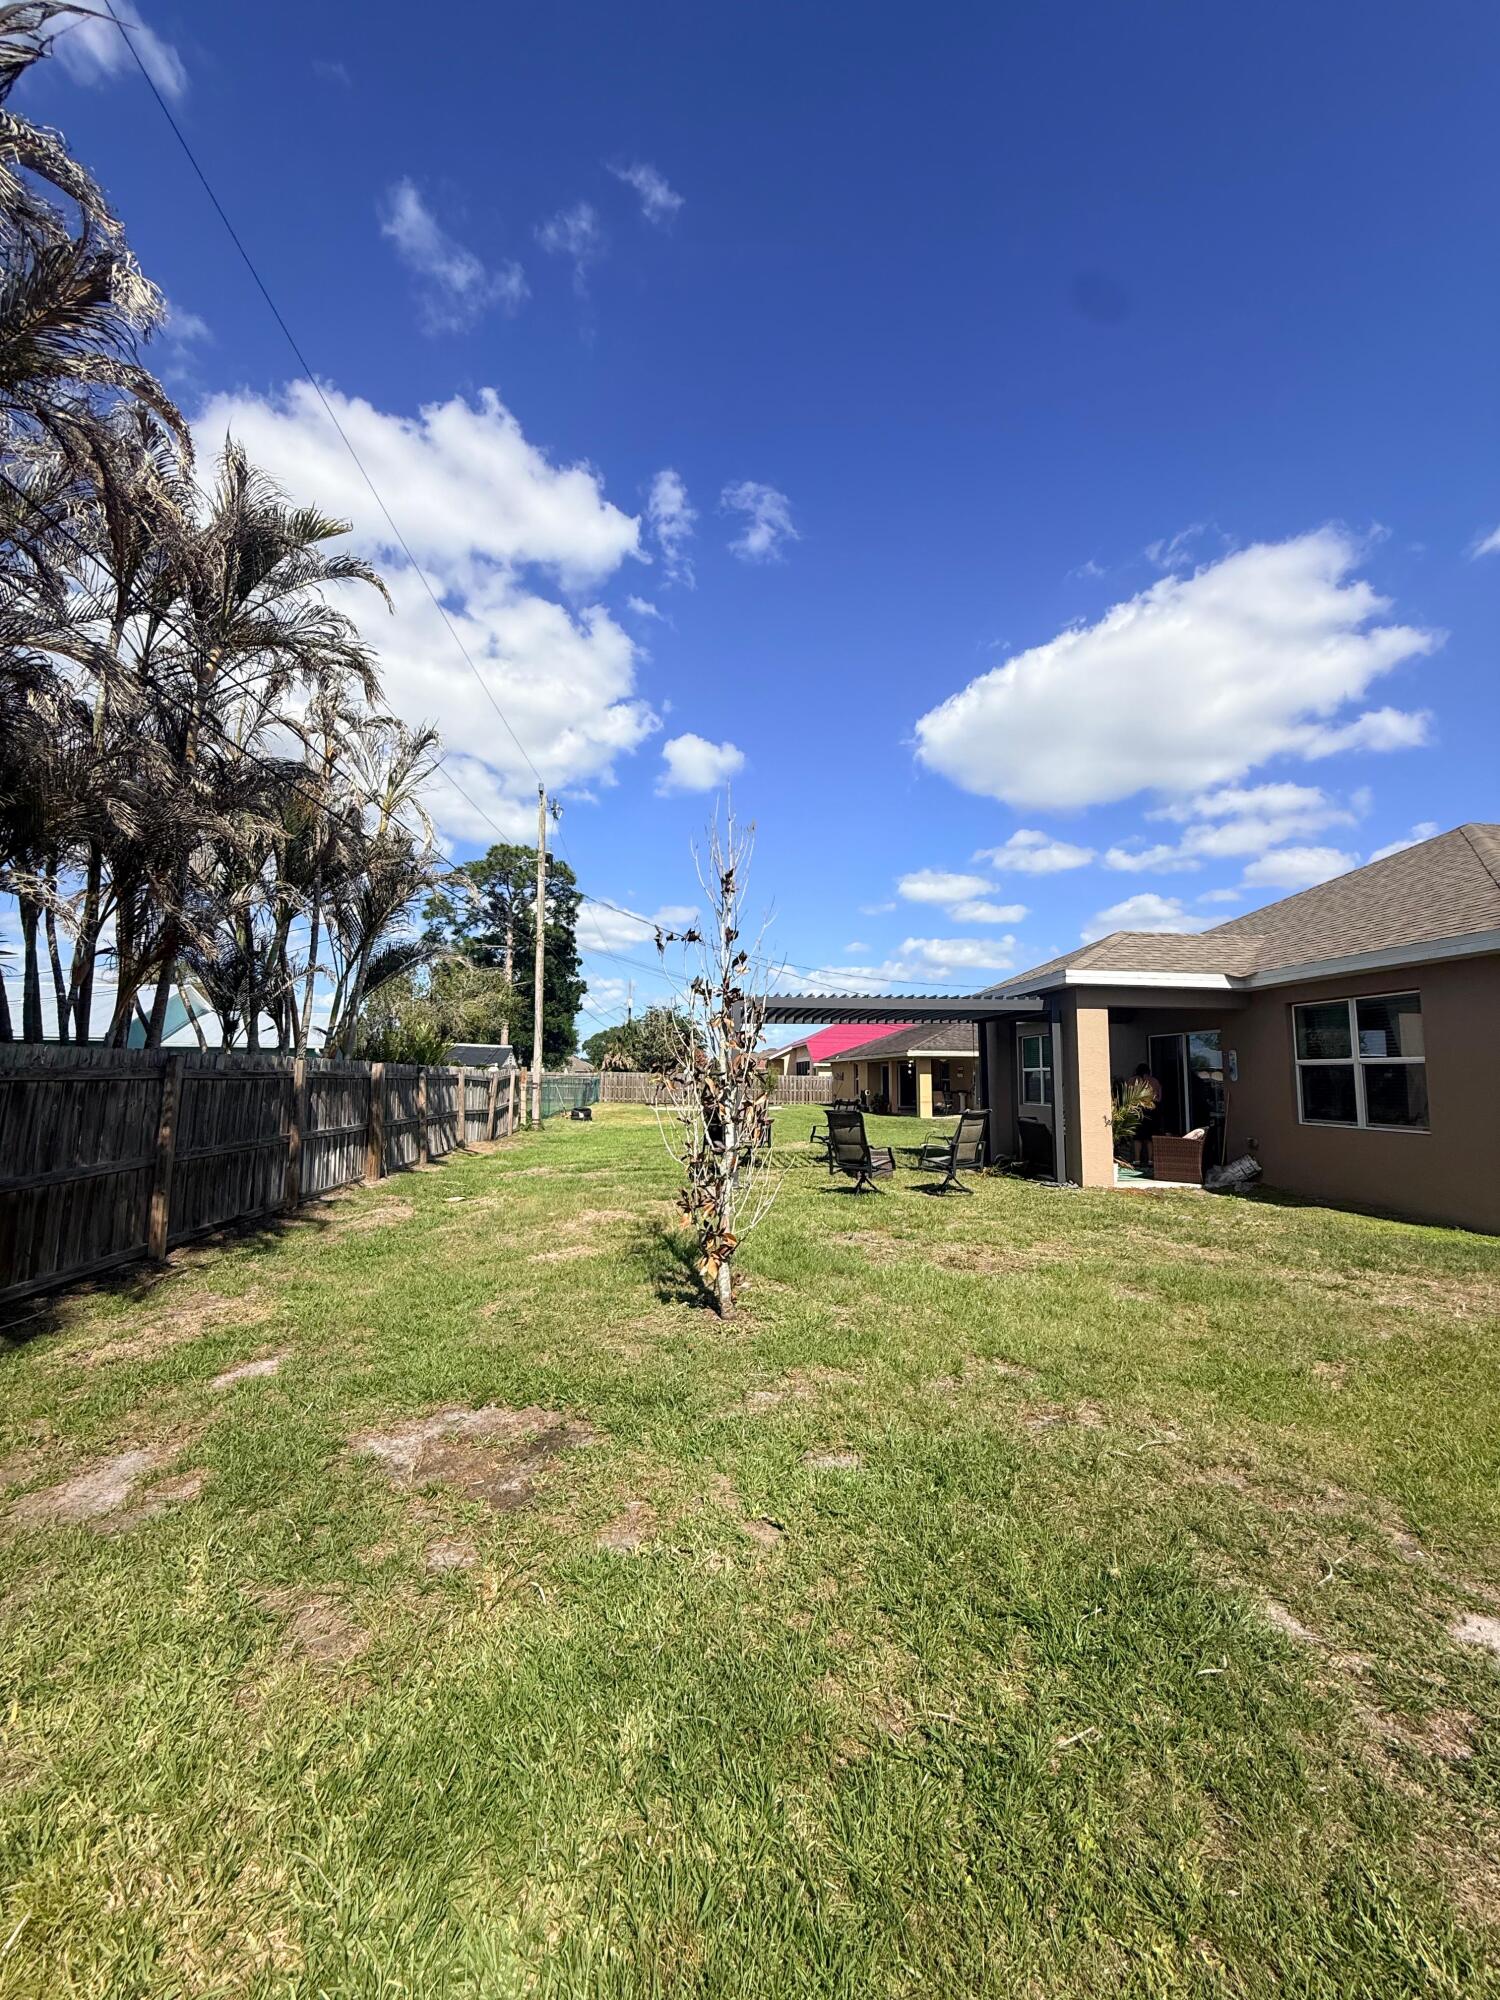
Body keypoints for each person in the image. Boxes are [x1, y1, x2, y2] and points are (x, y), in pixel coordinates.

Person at [1133, 1062, 1163, 1168]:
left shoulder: (1133, 1081)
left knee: (1137, 1137)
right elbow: (1159, 1099)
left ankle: (1137, 1160)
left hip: (1138, 1110)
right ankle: (1150, 1161)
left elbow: (1128, 1097)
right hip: (1152, 1110)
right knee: (1150, 1137)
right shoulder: (1154, 1081)